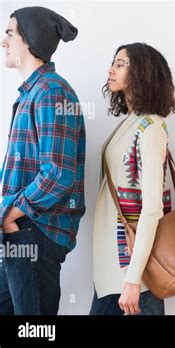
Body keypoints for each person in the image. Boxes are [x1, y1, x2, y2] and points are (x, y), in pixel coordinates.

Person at [0, 6, 85, 315]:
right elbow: (22, 165)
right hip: (21, 226)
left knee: (34, 330)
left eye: (9, 33)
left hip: (35, 229)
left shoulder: (51, 93)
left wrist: (11, 214)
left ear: (30, 41)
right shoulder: (31, 93)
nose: (3, 42)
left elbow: (58, 174)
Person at [89, 43, 175, 315]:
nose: (111, 69)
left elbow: (152, 209)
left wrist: (133, 279)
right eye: (113, 62)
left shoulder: (150, 128)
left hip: (131, 274)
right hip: (114, 271)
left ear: (142, 73)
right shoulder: (130, 122)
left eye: (120, 63)